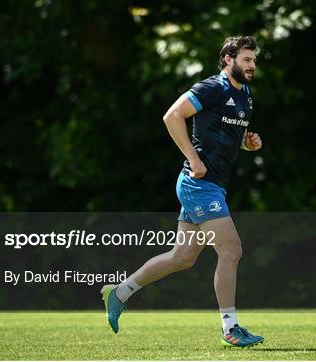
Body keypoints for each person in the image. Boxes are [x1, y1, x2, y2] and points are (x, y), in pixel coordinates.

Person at [101, 35, 264, 348]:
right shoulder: (212, 87)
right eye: (246, 59)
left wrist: (247, 142)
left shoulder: (246, 96)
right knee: (231, 250)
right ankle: (230, 328)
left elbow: (230, 134)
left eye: (254, 60)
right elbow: (171, 116)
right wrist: (193, 158)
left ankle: (119, 292)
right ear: (228, 60)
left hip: (212, 184)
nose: (252, 65)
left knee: (182, 257)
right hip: (198, 184)